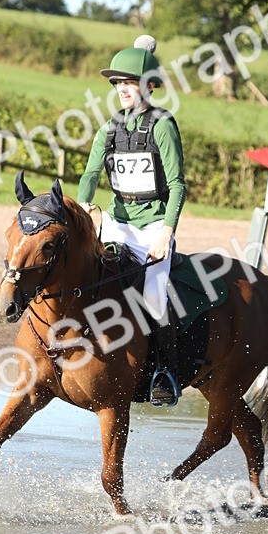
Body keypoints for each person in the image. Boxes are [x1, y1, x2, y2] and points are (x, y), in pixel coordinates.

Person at [77, 35, 186, 406]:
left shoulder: (162, 126)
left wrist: (166, 233)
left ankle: (164, 372)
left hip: (154, 225)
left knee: (155, 298)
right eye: (118, 83)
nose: (122, 89)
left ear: (148, 85)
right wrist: (84, 207)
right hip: (117, 221)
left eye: (129, 82)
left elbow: (177, 185)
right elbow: (91, 175)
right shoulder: (109, 129)